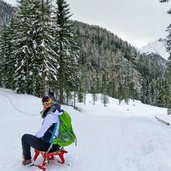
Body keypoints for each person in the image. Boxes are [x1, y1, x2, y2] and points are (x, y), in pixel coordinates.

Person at [21, 96, 61, 166]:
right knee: (32, 138)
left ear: (51, 103)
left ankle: (27, 159)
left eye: (47, 103)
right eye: (45, 103)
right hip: (57, 144)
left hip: (49, 146)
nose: (45, 105)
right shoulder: (56, 113)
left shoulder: (50, 116)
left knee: (25, 137)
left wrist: (34, 138)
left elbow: (40, 134)